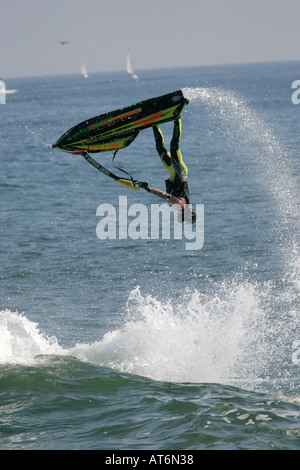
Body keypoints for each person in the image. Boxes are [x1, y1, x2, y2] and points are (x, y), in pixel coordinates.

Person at [141, 118, 196, 224]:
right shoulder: (179, 205)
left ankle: (154, 121)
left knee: (160, 148)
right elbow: (165, 195)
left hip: (172, 171)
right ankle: (177, 118)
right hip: (179, 172)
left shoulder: (182, 206)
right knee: (174, 145)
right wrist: (149, 189)